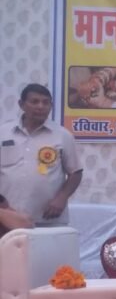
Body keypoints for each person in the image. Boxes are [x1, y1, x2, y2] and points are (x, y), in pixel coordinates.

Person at [0, 84, 83, 226]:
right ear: (21, 104)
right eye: (34, 101)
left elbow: (75, 172)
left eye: (46, 102)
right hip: (7, 217)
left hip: (48, 218)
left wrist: (62, 198)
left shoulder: (63, 136)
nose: (40, 106)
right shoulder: (3, 133)